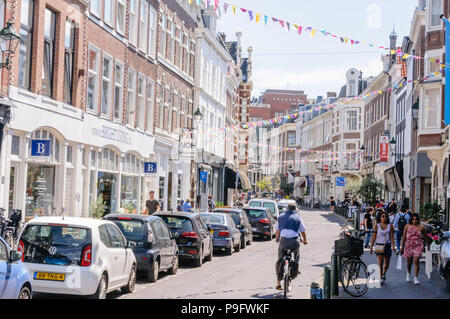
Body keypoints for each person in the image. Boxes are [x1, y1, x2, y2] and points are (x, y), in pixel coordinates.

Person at [274, 204, 307, 290]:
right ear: (295, 209)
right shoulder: (298, 217)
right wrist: (304, 240)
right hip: (294, 241)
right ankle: (295, 269)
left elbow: (277, 230)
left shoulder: (281, 217)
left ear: (287, 209)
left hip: (283, 241)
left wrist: (277, 239)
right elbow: (303, 231)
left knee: (280, 259)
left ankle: (278, 283)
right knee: (296, 254)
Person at [370, 210, 396, 285]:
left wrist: (393, 246)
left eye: (386, 216)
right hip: (379, 245)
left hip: (387, 245)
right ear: (380, 218)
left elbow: (391, 236)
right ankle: (381, 277)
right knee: (380, 263)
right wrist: (371, 247)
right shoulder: (377, 226)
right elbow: (374, 237)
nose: (384, 218)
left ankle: (384, 273)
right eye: (383, 216)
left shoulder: (390, 226)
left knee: (387, 264)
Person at [400, 213, 426, 285]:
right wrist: (402, 247)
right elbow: (404, 237)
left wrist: (428, 245)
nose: (415, 220)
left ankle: (416, 277)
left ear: (418, 219)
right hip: (409, 245)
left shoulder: (422, 227)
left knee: (416, 260)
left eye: (416, 219)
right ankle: (408, 274)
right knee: (409, 262)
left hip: (418, 245)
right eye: (413, 219)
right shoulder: (407, 226)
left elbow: (426, 236)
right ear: (411, 219)